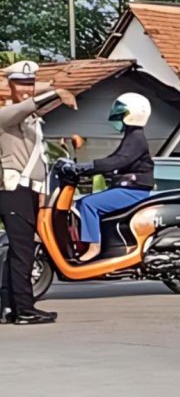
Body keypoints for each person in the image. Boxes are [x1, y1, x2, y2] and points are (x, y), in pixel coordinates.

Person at [0, 60, 77, 325]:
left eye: (30, 83)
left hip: (29, 192)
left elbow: (39, 161)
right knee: (23, 252)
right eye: (20, 83)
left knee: (19, 251)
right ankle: (25, 310)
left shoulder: (31, 119)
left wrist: (42, 195)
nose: (27, 88)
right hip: (13, 191)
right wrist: (54, 93)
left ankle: (9, 307)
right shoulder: (5, 115)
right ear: (8, 85)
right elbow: (23, 105)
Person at [72, 93, 155, 262]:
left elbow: (118, 160)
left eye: (121, 112)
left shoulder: (136, 137)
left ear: (133, 114)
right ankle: (98, 244)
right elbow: (116, 161)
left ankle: (94, 247)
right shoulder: (132, 136)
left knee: (89, 204)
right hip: (127, 188)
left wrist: (88, 167)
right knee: (80, 203)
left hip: (133, 191)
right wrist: (89, 171)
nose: (117, 115)